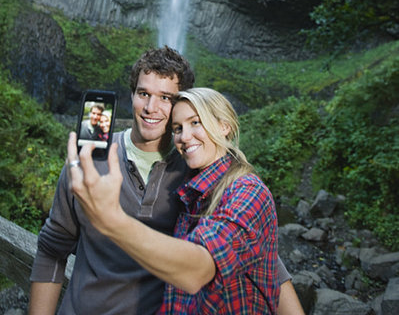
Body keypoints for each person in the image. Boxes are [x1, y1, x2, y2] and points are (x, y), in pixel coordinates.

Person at [28, 46, 305, 315]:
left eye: (165, 98)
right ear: (132, 96)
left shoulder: (198, 171)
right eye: (143, 93)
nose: (151, 107)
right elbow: (53, 247)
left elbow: (256, 256)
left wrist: (111, 219)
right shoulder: (87, 161)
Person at [68, 87, 280, 313]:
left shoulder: (248, 192)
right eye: (177, 128)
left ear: (224, 125)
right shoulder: (190, 192)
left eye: (195, 122)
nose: (184, 137)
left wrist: (112, 219)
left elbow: (197, 271)